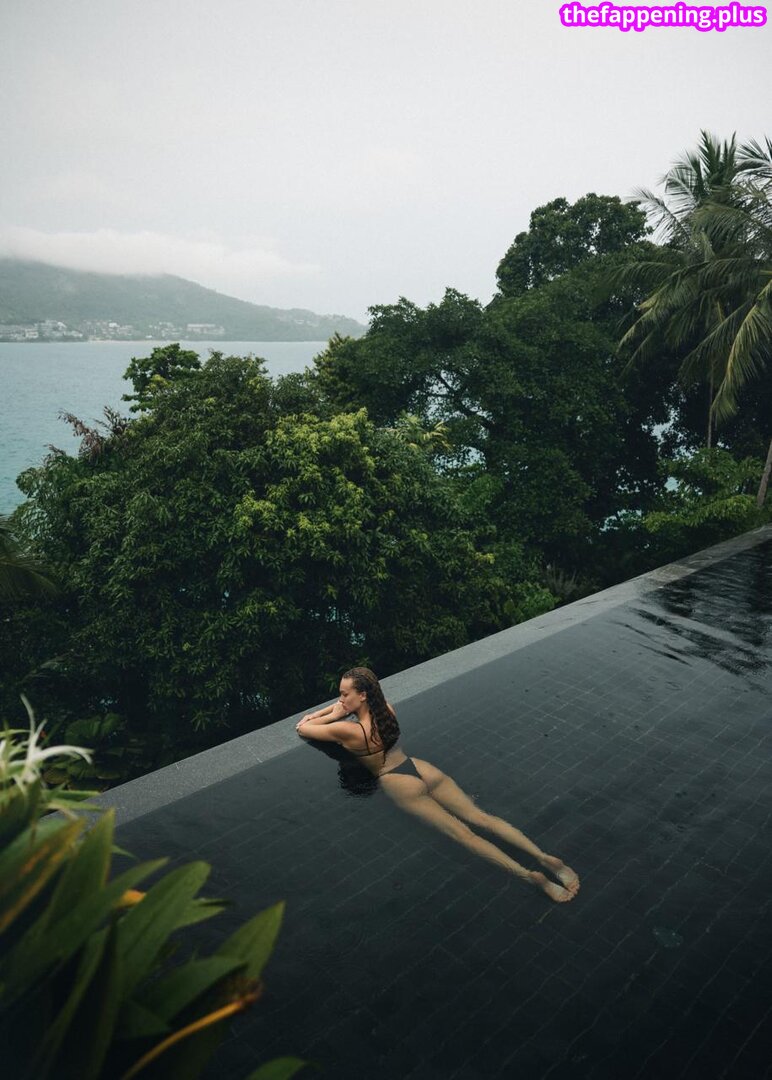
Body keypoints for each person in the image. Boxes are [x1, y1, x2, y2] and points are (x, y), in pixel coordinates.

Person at [297, 666, 579, 903]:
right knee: (482, 817)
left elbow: (303, 728)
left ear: (362, 695)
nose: (340, 699)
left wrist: (331, 714)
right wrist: (342, 706)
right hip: (421, 768)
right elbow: (353, 705)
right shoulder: (388, 711)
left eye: (344, 694)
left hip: (398, 782)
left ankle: (528, 875)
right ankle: (544, 857)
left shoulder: (349, 731)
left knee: (464, 835)